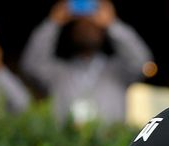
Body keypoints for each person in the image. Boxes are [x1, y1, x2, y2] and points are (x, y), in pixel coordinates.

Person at [20, 0, 153, 125]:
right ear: (72, 33)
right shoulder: (59, 73)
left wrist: (112, 24)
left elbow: (141, 61)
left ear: (103, 32)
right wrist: (53, 22)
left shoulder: (117, 71)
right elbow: (31, 64)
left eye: (92, 25)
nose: (87, 28)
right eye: (81, 25)